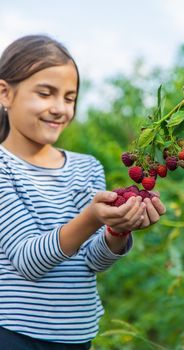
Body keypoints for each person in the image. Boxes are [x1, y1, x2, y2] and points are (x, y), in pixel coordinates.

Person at [0, 35, 166, 350]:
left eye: (69, 97)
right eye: (45, 93)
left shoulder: (86, 167)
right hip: (14, 335)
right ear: (5, 93)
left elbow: (92, 261)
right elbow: (27, 261)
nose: (59, 108)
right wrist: (91, 218)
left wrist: (116, 231)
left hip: (78, 336)